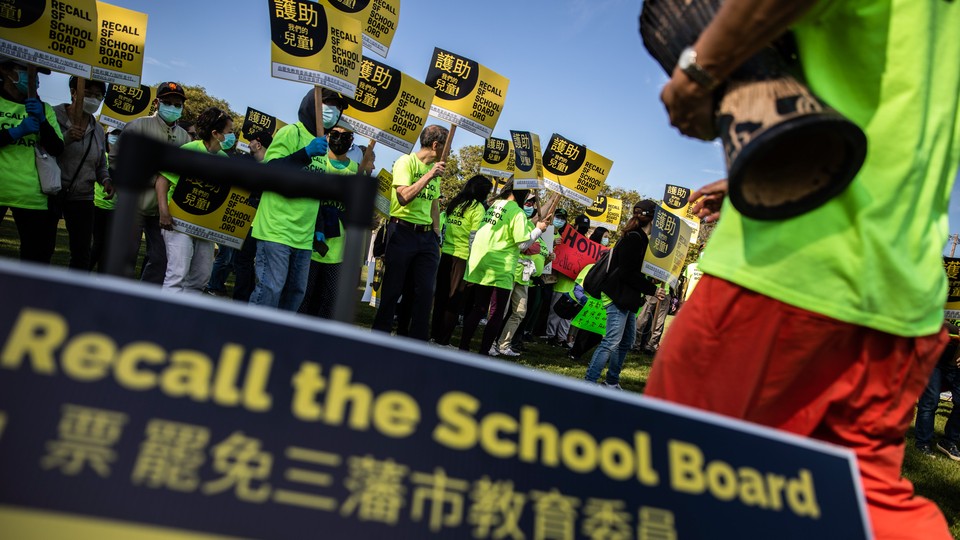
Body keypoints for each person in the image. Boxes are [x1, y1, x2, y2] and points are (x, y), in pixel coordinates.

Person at [643, 0, 960, 537]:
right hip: (901, 287)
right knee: (857, 507)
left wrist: (701, 71)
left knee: (669, 482)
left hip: (791, 264)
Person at [248, 88, 345, 310]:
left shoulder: (323, 144)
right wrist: (305, 153)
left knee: (295, 294)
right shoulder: (292, 133)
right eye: (329, 104)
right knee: (269, 291)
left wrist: (319, 225)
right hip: (276, 231)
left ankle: (278, 340)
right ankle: (251, 337)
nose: (334, 111)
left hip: (303, 236)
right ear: (312, 104)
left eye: (338, 108)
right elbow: (270, 172)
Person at [371, 124, 448, 340]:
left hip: (426, 238)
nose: (447, 151)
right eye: (446, 146)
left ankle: (416, 341)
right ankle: (379, 337)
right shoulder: (407, 162)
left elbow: (434, 205)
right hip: (402, 232)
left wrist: (435, 234)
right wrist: (429, 176)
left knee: (424, 292)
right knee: (393, 289)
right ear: (435, 145)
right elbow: (403, 196)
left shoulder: (437, 171)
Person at [110, 81, 192, 284]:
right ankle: (117, 296)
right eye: (168, 102)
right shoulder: (139, 126)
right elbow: (116, 159)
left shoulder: (185, 138)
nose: (173, 107)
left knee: (161, 259)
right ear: (157, 103)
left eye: (177, 104)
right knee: (125, 255)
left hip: (163, 210)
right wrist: (152, 180)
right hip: (134, 204)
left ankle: (143, 296)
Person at [460, 184, 547, 356]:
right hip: (501, 266)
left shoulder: (495, 206)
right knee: (496, 312)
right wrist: (538, 230)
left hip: (481, 261)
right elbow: (522, 244)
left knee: (479, 307)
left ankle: (463, 347)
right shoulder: (517, 212)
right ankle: (484, 351)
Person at [155, 107, 234, 292]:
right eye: (229, 132)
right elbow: (162, 181)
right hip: (177, 221)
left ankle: (184, 318)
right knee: (177, 274)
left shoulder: (224, 159)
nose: (233, 136)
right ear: (215, 133)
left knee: (200, 277)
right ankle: (164, 319)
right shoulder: (189, 151)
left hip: (205, 226)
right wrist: (163, 212)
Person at [585, 202, 662, 388]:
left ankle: (611, 382)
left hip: (626, 297)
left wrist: (650, 281)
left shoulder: (641, 239)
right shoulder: (634, 238)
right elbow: (626, 273)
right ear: (653, 219)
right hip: (617, 296)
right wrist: (651, 290)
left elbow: (632, 270)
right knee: (611, 341)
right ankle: (589, 383)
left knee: (626, 341)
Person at [0, 58, 64, 263]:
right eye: (26, 70)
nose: (33, 78)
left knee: (35, 261)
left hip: (32, 197)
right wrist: (16, 131)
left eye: (35, 73)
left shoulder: (45, 109)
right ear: (6, 70)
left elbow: (57, 148)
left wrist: (43, 122)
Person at [299, 120, 359, 318]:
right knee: (304, 296)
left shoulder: (357, 170)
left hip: (338, 249)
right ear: (327, 135)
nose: (339, 139)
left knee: (330, 299)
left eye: (346, 136)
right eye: (335, 134)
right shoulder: (318, 161)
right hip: (310, 242)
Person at [52, 76, 113, 270]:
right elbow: (43, 151)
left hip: (83, 196)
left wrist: (105, 179)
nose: (93, 99)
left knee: (82, 252)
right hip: (51, 191)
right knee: (43, 246)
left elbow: (100, 163)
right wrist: (65, 139)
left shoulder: (98, 131)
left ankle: (73, 296)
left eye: (98, 96)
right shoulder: (53, 116)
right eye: (88, 94)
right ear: (73, 92)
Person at [431, 174, 493, 346]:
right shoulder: (478, 208)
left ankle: (434, 335)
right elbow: (475, 239)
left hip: (446, 255)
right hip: (463, 257)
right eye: (487, 192)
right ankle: (443, 340)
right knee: (454, 302)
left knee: (441, 298)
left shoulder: (456, 203)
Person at [496, 198, 548, 357]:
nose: (530, 207)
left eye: (532, 204)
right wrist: (531, 244)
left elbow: (535, 246)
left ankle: (503, 345)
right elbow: (525, 246)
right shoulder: (515, 218)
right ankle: (490, 342)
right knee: (501, 311)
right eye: (527, 203)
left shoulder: (531, 225)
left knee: (519, 312)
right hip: (510, 271)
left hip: (524, 275)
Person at [230, 129, 271, 302]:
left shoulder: (269, 167)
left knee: (244, 261)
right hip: (257, 223)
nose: (249, 144)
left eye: (251, 141)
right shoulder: (274, 165)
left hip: (255, 224)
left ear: (258, 144)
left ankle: (242, 299)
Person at [543, 213, 591, 347]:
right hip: (561, 284)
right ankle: (551, 336)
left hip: (574, 288)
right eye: (581, 227)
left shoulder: (587, 245)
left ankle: (561, 338)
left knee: (567, 316)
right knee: (555, 312)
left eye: (585, 228)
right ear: (574, 226)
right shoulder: (565, 239)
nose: (583, 230)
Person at [914, 323, 960, 460]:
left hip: (956, 366)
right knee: (930, 401)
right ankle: (923, 443)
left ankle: (949, 441)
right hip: (935, 360)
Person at [90, 128, 119, 272]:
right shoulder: (102, 156)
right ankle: (82, 272)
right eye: (115, 134)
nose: (117, 138)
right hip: (98, 205)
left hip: (115, 209)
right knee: (99, 244)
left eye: (121, 135)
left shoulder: (125, 159)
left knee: (108, 247)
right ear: (107, 135)